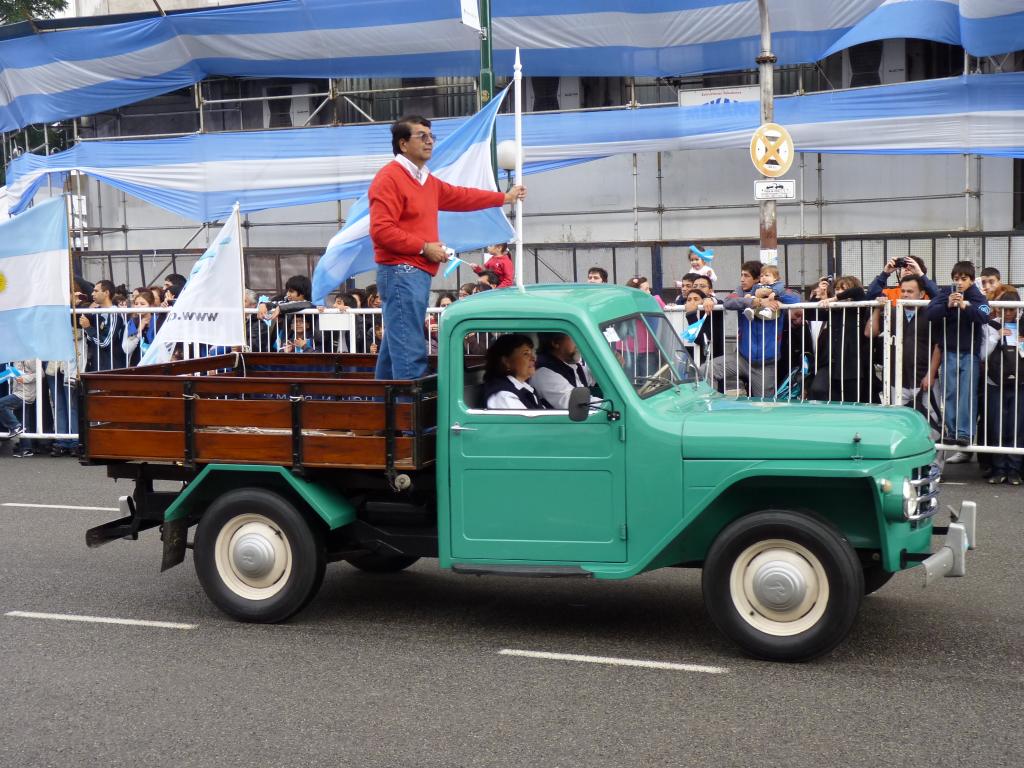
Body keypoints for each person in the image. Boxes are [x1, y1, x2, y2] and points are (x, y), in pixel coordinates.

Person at [369, 114, 526, 381]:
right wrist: (424, 247)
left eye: (431, 136)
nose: (430, 141)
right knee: (408, 347)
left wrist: (504, 197)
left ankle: (383, 414)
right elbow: (381, 231)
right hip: (401, 270)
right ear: (403, 144)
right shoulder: (390, 178)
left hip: (410, 271)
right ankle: (410, 418)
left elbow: (461, 196)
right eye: (422, 136)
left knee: (397, 344)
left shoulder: (424, 179)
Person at [926, 261, 991, 448]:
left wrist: (965, 306)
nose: (959, 283)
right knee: (950, 392)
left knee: (966, 393)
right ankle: (952, 431)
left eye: (963, 279)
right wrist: (948, 305)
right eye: (956, 279)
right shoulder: (946, 292)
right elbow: (930, 313)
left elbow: (984, 316)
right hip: (949, 351)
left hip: (970, 353)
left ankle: (965, 433)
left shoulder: (977, 296)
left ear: (971, 280)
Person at [721, 261, 799, 397]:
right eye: (741, 275)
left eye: (746, 276)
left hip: (766, 362)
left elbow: (796, 298)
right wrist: (754, 301)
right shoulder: (740, 291)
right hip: (742, 358)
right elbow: (728, 301)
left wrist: (772, 294)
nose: (741, 279)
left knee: (764, 405)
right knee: (707, 370)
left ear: (757, 278)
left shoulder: (778, 288)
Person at [866, 275, 941, 412]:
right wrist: (878, 308)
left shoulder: (931, 313)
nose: (905, 295)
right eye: (903, 291)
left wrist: (931, 374)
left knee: (932, 423)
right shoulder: (892, 312)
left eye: (910, 291)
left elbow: (938, 345)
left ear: (922, 294)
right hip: (897, 380)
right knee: (900, 422)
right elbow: (869, 333)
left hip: (924, 378)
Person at [810, 276, 873, 403]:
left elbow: (859, 292)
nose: (839, 292)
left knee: (851, 398)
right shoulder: (834, 309)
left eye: (843, 289)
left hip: (851, 362)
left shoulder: (857, 307)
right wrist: (818, 295)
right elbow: (811, 314)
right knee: (818, 389)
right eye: (837, 289)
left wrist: (833, 298)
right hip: (830, 361)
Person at [981, 290, 1023, 485]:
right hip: (995, 383)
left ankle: (1014, 469)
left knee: (1017, 427)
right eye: (1005, 310)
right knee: (996, 426)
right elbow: (982, 354)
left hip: (1020, 384)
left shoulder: (1022, 327)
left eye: (1013, 310)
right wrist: (996, 337)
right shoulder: (991, 325)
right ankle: (998, 468)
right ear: (998, 308)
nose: (1009, 314)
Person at [482, 334, 550, 410]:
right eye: (526, 354)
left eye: (532, 353)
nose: (533, 358)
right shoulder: (504, 396)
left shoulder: (524, 388)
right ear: (506, 361)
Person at [530, 332, 597, 409]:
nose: (579, 343)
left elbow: (591, 377)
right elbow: (577, 404)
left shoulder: (568, 364)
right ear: (555, 343)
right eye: (574, 338)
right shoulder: (544, 374)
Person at [80, 279, 128, 371]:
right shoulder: (95, 312)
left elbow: (105, 342)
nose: (92, 294)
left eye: (96, 291)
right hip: (96, 366)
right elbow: (91, 339)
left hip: (112, 368)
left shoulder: (115, 314)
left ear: (106, 293)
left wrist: (88, 328)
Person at [0, 360, 37, 456]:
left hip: (24, 393)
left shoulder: (31, 358)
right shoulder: (17, 359)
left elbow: (40, 374)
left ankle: (15, 426)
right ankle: (26, 448)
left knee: (2, 404)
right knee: (23, 419)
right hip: (19, 392)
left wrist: (25, 379)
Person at [866, 255, 939, 302]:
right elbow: (869, 296)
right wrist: (884, 274)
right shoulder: (888, 293)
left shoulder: (926, 294)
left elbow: (938, 297)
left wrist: (920, 274)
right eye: (904, 267)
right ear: (899, 274)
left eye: (911, 267)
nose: (907, 269)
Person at [122, 290, 160, 366]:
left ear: (151, 305)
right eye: (136, 304)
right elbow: (126, 349)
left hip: (156, 366)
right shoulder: (132, 322)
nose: (138, 306)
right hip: (136, 366)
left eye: (142, 304)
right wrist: (139, 329)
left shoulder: (159, 321)